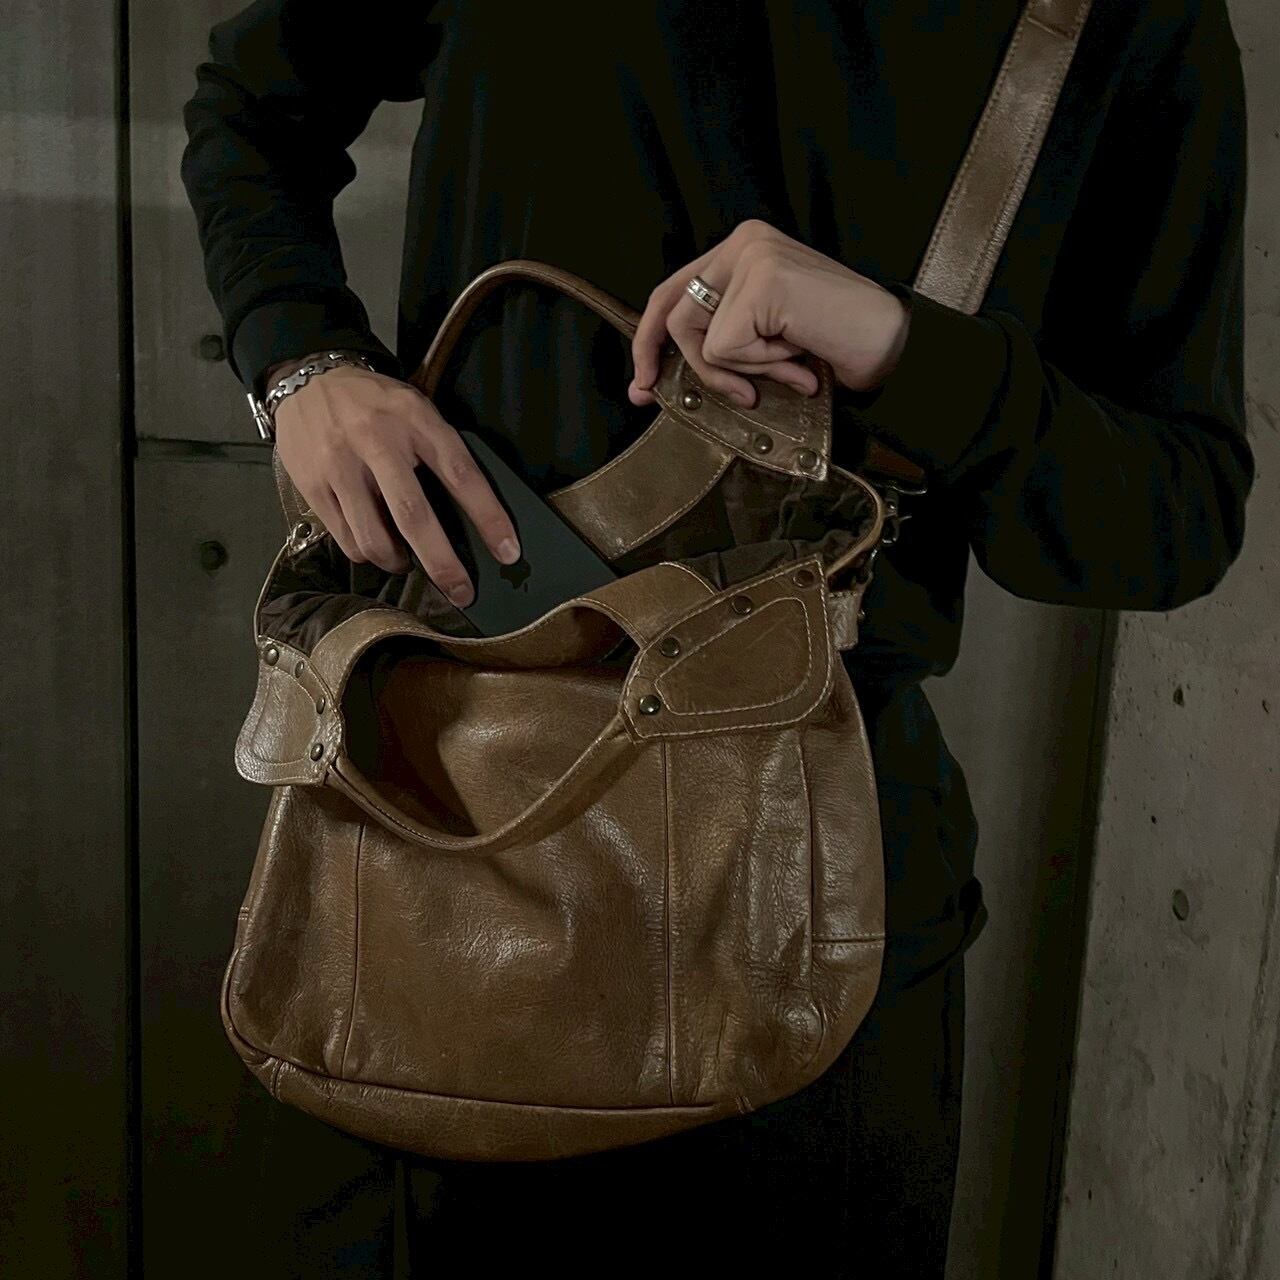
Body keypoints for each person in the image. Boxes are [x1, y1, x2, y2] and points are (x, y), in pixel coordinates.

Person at [179, 1, 1255, 1275]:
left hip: (812, 918)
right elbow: (249, 106)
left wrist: (903, 350)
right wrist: (301, 363)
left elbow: (1172, 516)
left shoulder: (1115, 21)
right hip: (426, 849)